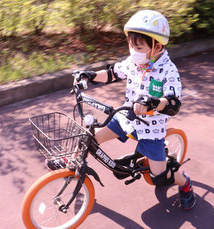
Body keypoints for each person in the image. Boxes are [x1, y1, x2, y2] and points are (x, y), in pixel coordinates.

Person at [73, 10, 196, 210]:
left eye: (138, 46)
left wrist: (154, 102)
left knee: (160, 177)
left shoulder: (168, 70)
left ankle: (185, 183)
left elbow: (174, 104)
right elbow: (113, 73)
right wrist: (91, 75)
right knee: (89, 138)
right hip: (126, 118)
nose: (133, 50)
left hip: (151, 128)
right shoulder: (135, 62)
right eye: (130, 44)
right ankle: (72, 171)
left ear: (157, 46)